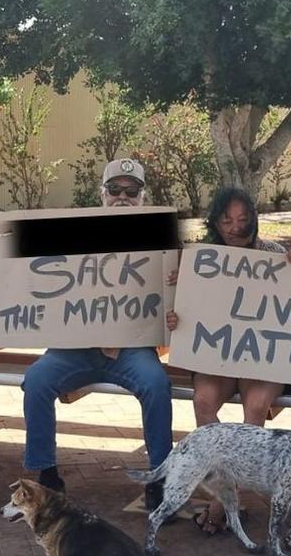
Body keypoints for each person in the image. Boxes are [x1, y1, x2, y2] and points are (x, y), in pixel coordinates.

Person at [13, 159, 174, 510]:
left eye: (131, 192)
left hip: (133, 347)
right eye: (115, 190)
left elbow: (183, 291)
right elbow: (25, 272)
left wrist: (178, 284)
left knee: (157, 385)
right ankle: (47, 474)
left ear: (143, 198)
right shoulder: (72, 233)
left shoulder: (162, 240)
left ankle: (161, 476)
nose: (122, 198)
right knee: (36, 380)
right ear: (102, 194)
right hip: (75, 346)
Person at [164, 187, 291, 534]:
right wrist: (176, 315)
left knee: (257, 405)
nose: (234, 227)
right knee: (203, 402)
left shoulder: (273, 254)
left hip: (262, 358)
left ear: (254, 220)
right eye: (227, 220)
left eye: (243, 219)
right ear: (215, 222)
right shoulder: (200, 258)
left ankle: (222, 502)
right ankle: (227, 492)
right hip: (219, 356)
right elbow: (182, 312)